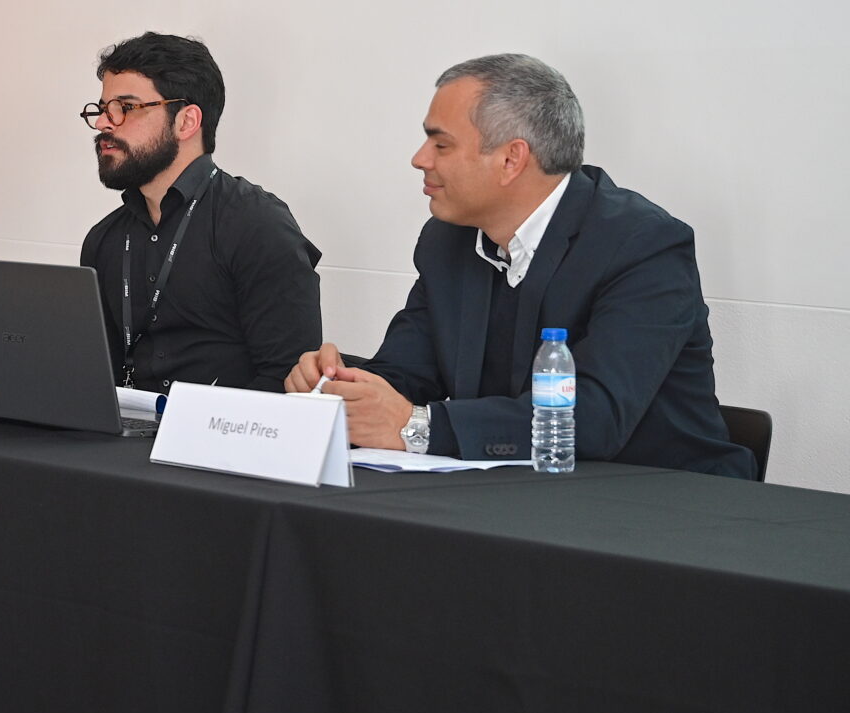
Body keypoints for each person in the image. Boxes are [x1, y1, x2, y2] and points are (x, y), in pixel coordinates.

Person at [286, 54, 753, 477]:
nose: (419, 159)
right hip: (514, 499)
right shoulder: (446, 240)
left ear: (511, 159)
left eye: (441, 145)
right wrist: (343, 387)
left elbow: (594, 417)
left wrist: (417, 426)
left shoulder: (643, 245)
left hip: (666, 506)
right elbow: (408, 372)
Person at [82, 33, 321, 392]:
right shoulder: (104, 240)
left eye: (125, 108)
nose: (104, 123)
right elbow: (97, 377)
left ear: (186, 122)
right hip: (128, 425)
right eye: (103, 109)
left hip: (230, 426)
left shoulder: (258, 225)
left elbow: (289, 382)